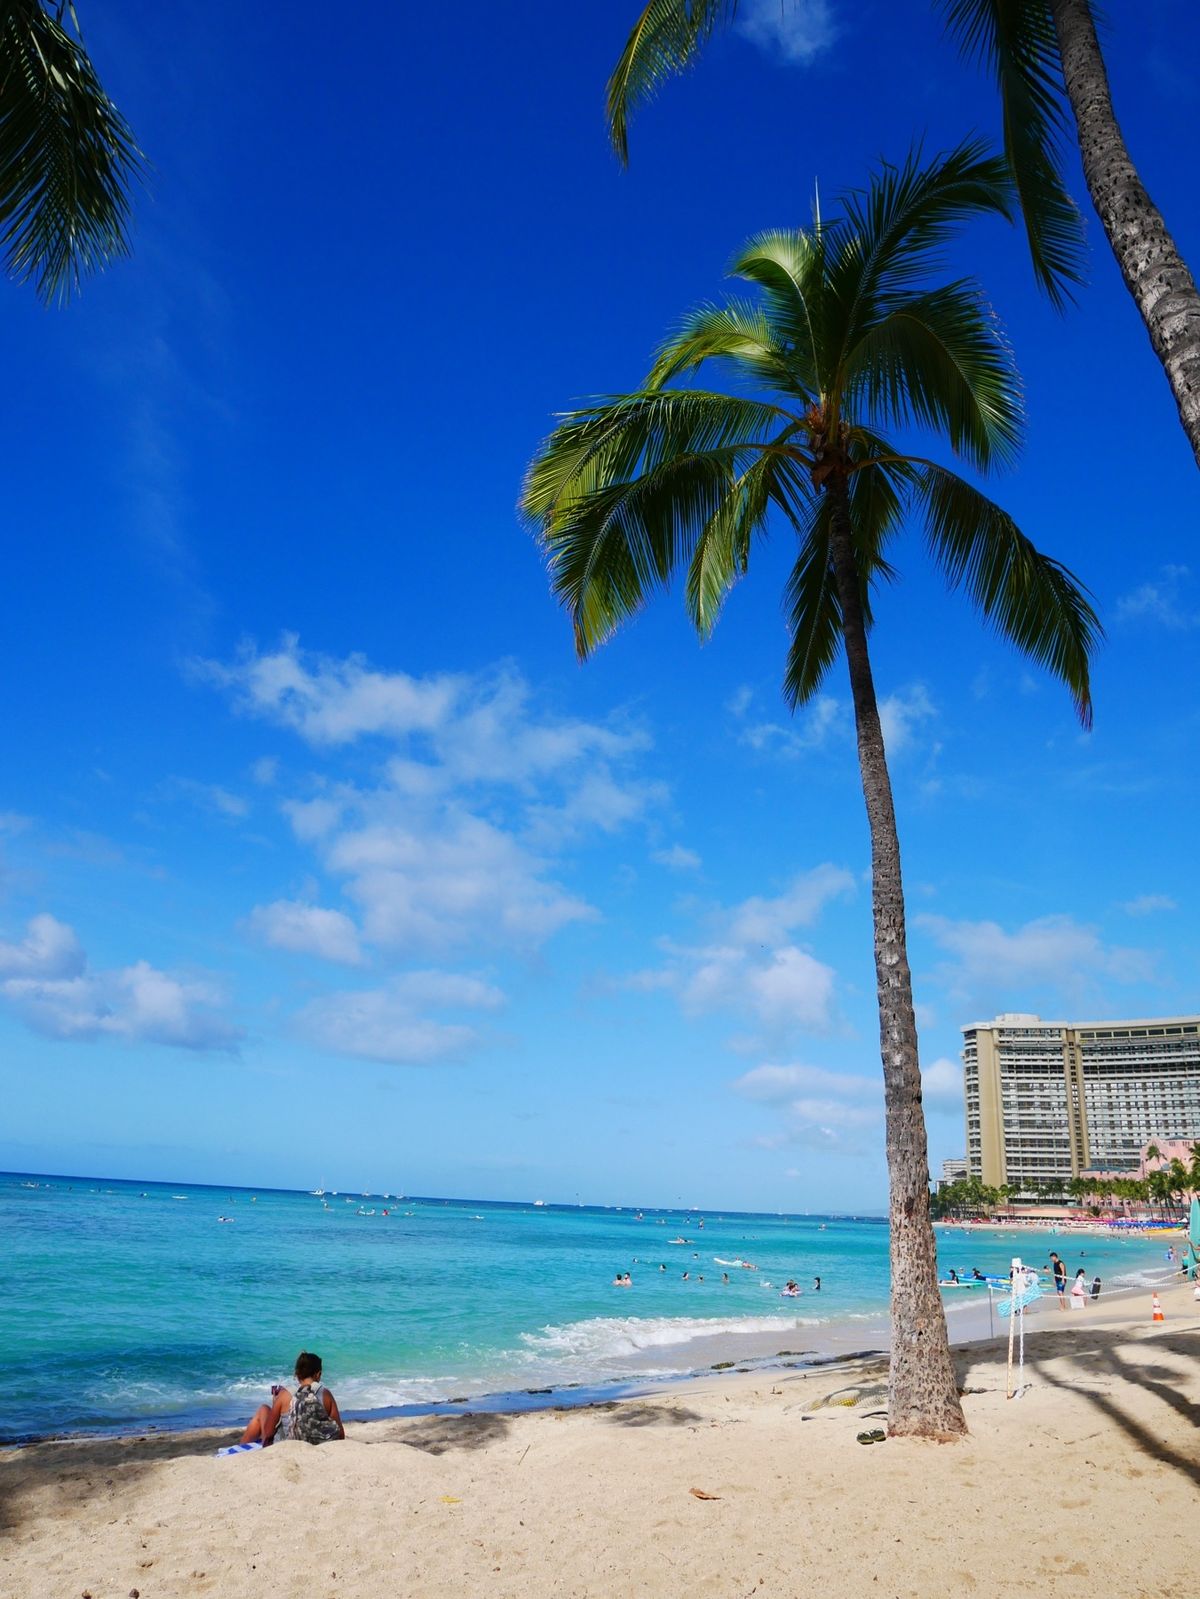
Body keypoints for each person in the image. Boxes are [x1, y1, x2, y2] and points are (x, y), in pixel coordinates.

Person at [239, 1351, 345, 1446]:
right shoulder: (326, 1395)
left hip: (286, 1446)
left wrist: (276, 1404)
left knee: (264, 1409)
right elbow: (340, 1434)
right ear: (318, 1374)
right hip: (318, 1444)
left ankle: (240, 1449)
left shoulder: (285, 1395)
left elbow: (268, 1432)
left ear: (296, 1374)